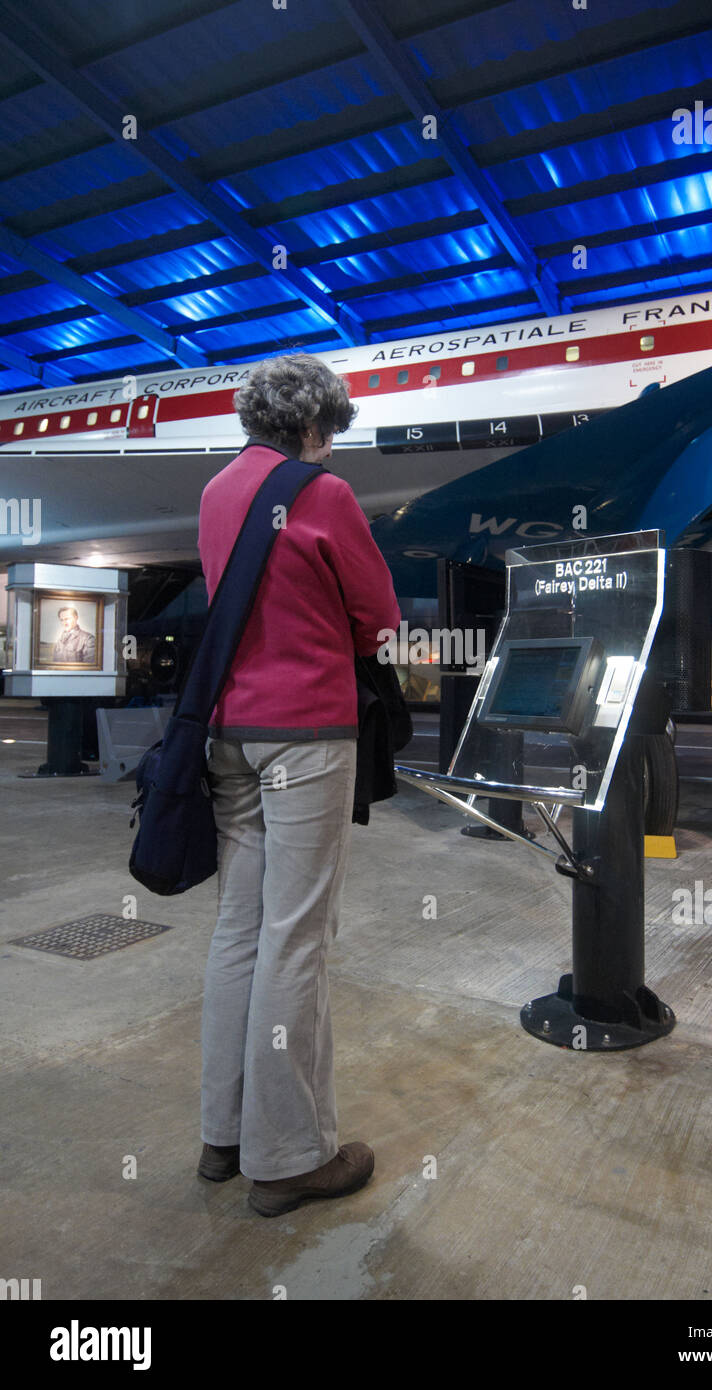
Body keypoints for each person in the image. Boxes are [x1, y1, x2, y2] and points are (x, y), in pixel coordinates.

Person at [195, 353, 401, 1217]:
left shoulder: (214, 493)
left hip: (227, 732)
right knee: (297, 939)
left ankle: (224, 1135)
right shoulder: (323, 493)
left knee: (240, 930)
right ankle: (287, 1160)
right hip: (306, 733)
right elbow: (377, 616)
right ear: (315, 426)